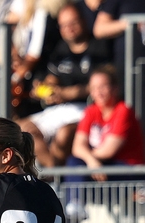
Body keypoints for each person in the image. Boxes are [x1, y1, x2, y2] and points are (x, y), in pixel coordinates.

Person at [17, 4, 111, 167]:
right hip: (61, 108)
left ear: (83, 21)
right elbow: (53, 78)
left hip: (88, 109)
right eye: (64, 25)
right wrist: (45, 88)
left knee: (64, 134)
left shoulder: (100, 48)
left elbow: (101, 85)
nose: (69, 28)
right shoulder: (60, 49)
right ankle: (51, 175)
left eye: (73, 22)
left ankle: (53, 179)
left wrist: (67, 93)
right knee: (20, 129)